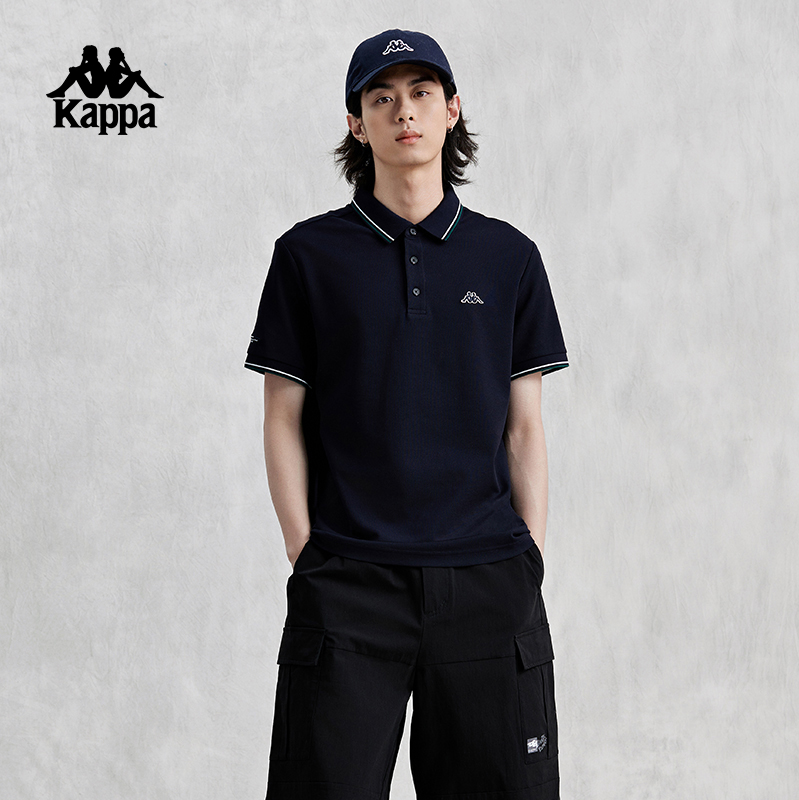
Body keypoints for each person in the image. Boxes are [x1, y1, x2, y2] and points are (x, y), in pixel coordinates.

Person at [245, 28, 569, 800]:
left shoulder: (509, 257)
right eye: (382, 98)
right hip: (349, 585)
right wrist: (305, 554)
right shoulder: (307, 256)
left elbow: (525, 427)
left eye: (422, 93)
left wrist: (527, 558)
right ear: (357, 125)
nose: (404, 112)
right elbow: (282, 417)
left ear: (452, 110)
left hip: (488, 582)